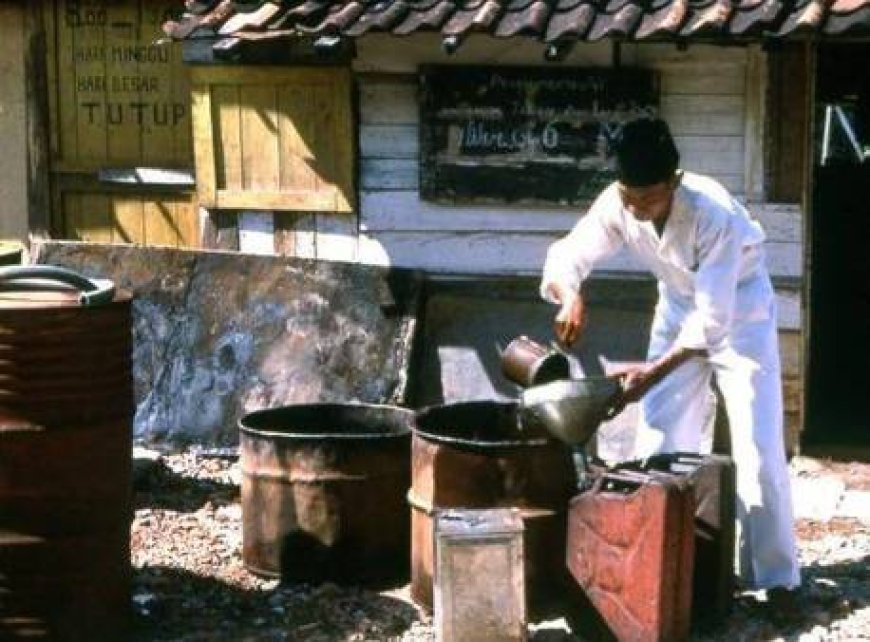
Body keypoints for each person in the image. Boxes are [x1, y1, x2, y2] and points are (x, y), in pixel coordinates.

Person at [539, 116, 800, 600]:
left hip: (738, 310)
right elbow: (569, 253)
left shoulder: (712, 212)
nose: (636, 209)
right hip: (678, 303)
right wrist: (569, 293)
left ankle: (774, 579)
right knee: (659, 433)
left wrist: (651, 373)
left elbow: (713, 319)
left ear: (675, 182)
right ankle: (660, 554)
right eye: (628, 197)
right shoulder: (618, 201)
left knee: (757, 445)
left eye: (649, 198)